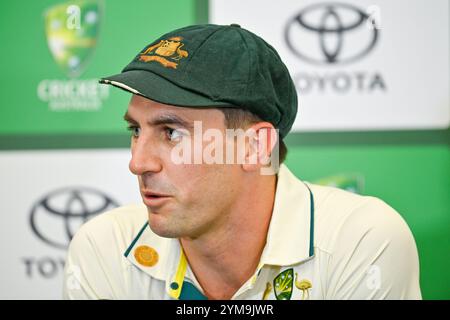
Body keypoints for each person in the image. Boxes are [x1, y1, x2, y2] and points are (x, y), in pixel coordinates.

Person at [63, 23, 421, 300]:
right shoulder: (104, 248)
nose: (138, 163)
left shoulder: (359, 241)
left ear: (254, 146)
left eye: (171, 133)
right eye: (135, 130)